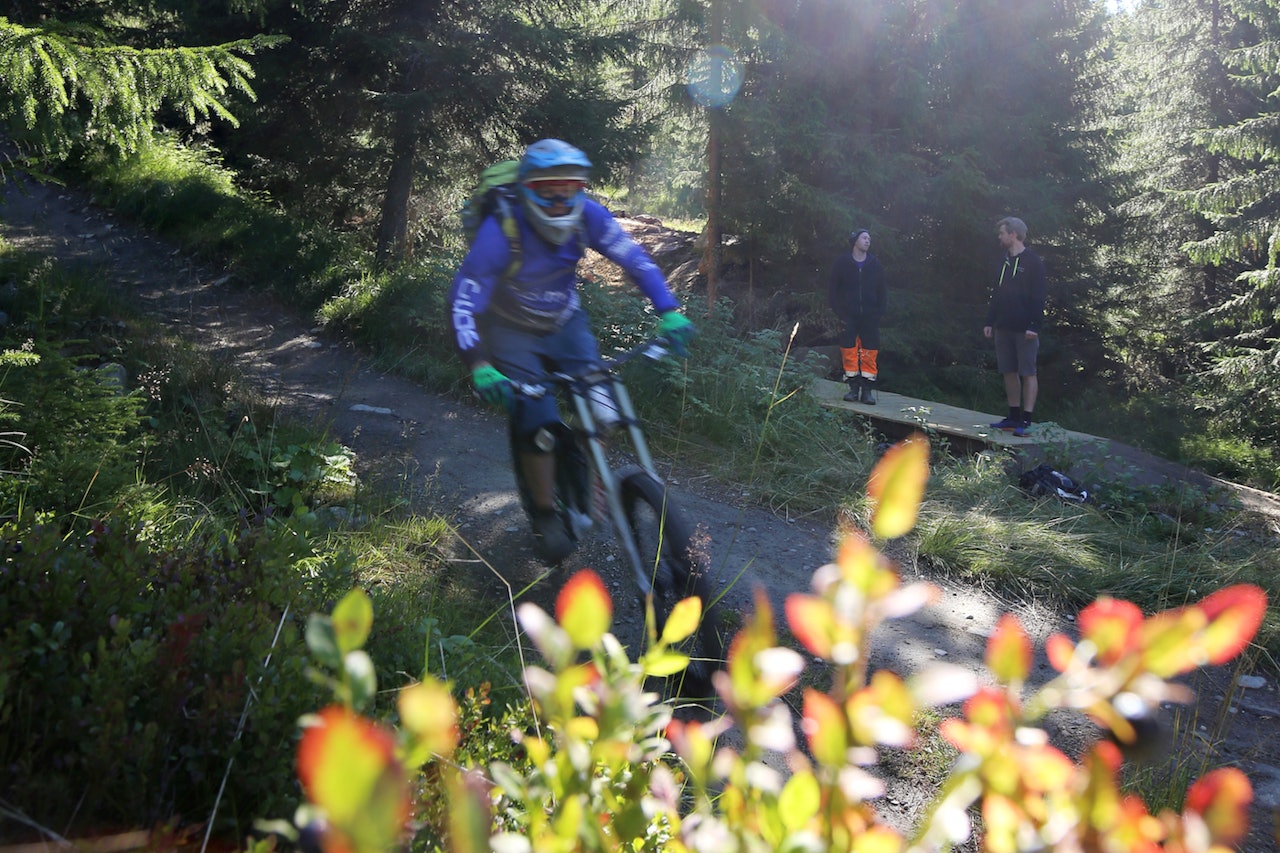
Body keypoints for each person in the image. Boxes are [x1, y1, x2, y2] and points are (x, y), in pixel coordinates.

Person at [447, 138, 695, 564]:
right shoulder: (502, 230)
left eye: (570, 189)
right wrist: (480, 364)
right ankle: (545, 512)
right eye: (548, 191)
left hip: (566, 321)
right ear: (527, 190)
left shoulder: (590, 216)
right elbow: (463, 302)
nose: (561, 201)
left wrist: (668, 310)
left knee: (605, 409)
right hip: (511, 331)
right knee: (538, 423)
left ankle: (590, 476)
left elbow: (635, 260)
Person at [983, 216, 1047, 438]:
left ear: (1013, 234)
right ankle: (1013, 416)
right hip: (1003, 326)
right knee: (1008, 371)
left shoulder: (1033, 262)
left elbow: (1039, 296)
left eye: (1002, 233)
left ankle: (1026, 419)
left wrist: (1034, 325)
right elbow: (997, 293)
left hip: (1025, 329)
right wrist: (989, 321)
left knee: (1027, 372)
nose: (999, 237)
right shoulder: (1004, 262)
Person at [828, 228, 887, 404]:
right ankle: (853, 390)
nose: (868, 241)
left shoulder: (875, 264)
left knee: (870, 352)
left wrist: (878, 312)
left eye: (869, 238)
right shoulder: (842, 263)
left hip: (870, 317)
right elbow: (833, 290)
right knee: (848, 351)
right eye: (864, 238)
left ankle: (867, 392)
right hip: (848, 316)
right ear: (855, 241)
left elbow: (882, 290)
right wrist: (839, 311)